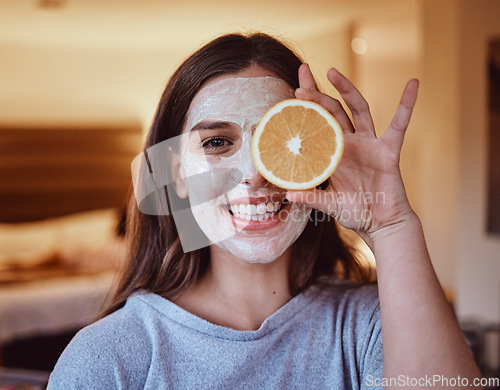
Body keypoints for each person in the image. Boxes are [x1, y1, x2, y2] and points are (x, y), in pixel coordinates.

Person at [47, 33, 482, 389]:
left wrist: (392, 226)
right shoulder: (110, 357)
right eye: (217, 143)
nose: (254, 174)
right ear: (176, 175)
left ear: (317, 161)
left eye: (278, 142)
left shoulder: (373, 327)